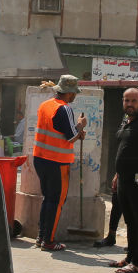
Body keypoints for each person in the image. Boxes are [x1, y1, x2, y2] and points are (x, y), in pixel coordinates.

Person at [96, 84, 138, 249]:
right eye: (128, 100)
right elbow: (124, 147)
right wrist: (117, 173)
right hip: (124, 174)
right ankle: (112, 236)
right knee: (118, 204)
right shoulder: (128, 118)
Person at [33, 74, 87, 252]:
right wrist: (80, 125)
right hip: (57, 161)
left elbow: (61, 132)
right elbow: (71, 137)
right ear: (70, 93)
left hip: (40, 158)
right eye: (74, 93)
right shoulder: (64, 109)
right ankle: (49, 241)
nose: (75, 96)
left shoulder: (45, 105)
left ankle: (41, 237)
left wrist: (77, 132)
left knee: (47, 198)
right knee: (55, 201)